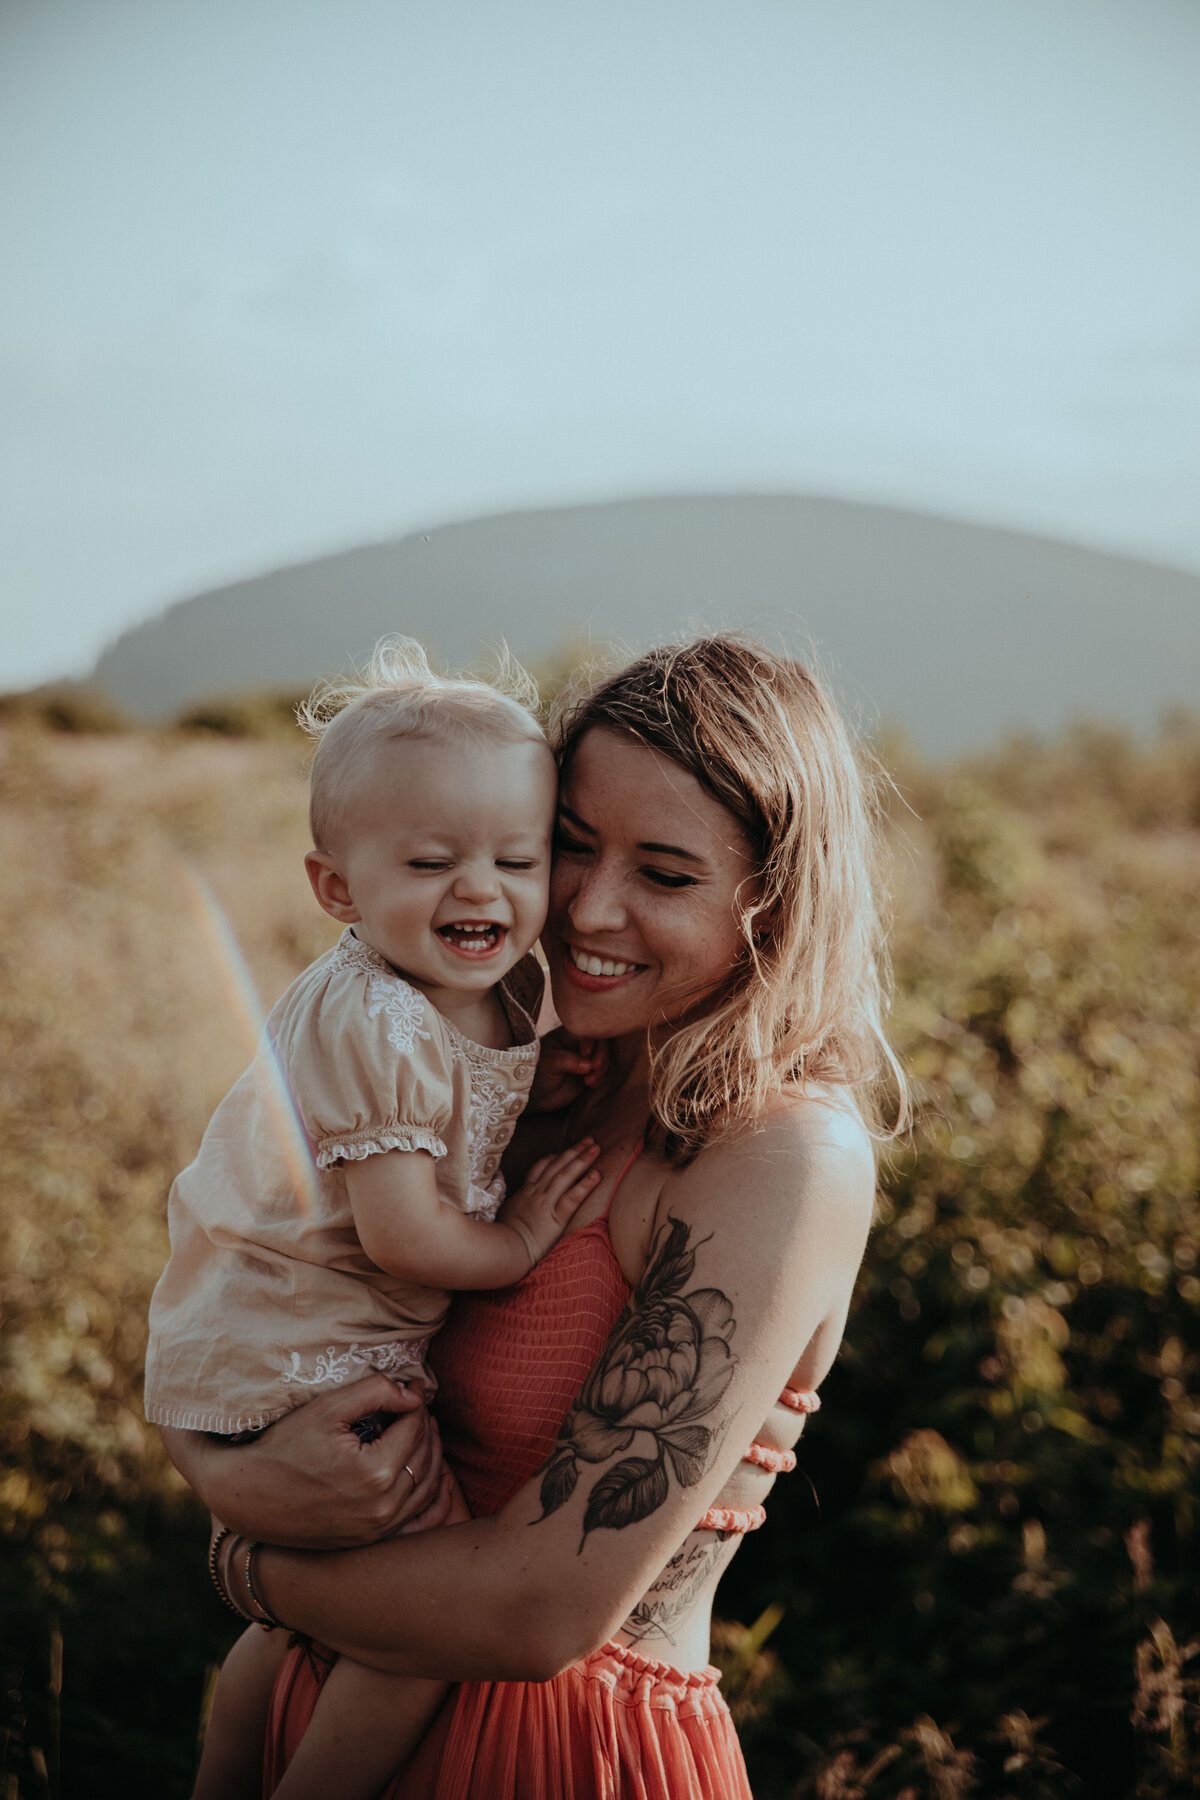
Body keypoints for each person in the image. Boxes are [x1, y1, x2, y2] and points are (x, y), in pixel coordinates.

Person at [162, 633, 905, 1799]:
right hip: (311, 1704)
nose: (589, 909)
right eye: (569, 846)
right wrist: (230, 1475)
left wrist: (246, 1561)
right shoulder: (531, 1077)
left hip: (555, 1755)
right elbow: (271, 1298)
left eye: (665, 875)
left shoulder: (781, 1155)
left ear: (774, 902)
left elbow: (535, 1612)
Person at [144, 638, 603, 1800]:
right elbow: (404, 1236)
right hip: (307, 1349)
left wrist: (526, 1088)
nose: (482, 890)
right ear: (339, 890)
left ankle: (228, 1769)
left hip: (295, 1334)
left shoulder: (462, 990)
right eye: (432, 860)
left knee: (306, 1621)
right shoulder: (376, 1022)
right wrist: (521, 1242)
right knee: (425, 1619)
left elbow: (469, 1098)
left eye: (518, 856)